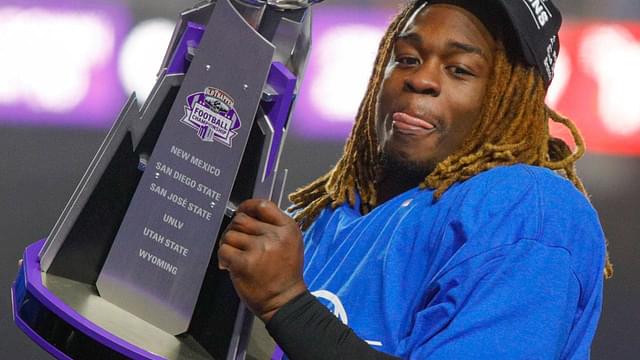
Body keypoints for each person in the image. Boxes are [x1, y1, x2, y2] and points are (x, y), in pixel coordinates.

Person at [217, 0, 613, 358]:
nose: (421, 79)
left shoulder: (527, 208)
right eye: (406, 58)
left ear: (513, 97)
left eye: (459, 69)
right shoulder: (333, 216)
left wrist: (285, 303)